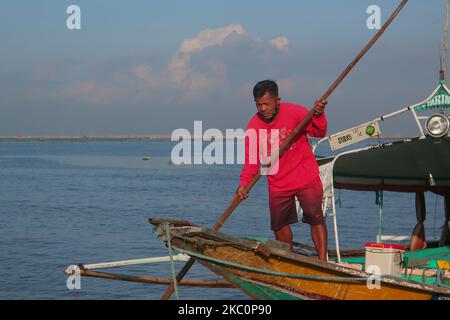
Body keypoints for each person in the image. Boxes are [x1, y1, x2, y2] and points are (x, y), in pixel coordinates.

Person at [236, 79, 328, 261]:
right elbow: (251, 162)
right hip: (278, 182)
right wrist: (244, 184)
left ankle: (323, 261)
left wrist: (318, 114)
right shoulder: (253, 127)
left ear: (278, 100)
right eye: (259, 105)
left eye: (267, 104)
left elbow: (319, 132)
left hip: (305, 176)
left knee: (315, 216)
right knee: (279, 224)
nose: (263, 109)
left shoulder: (296, 112)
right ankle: (289, 260)